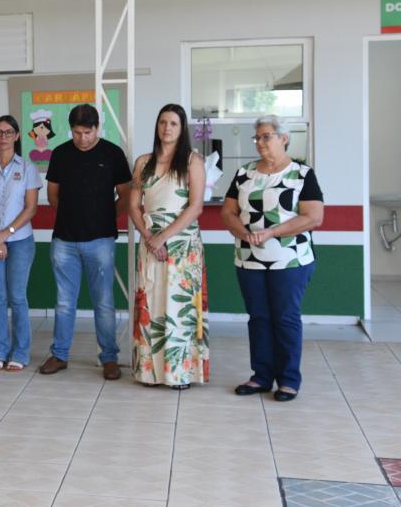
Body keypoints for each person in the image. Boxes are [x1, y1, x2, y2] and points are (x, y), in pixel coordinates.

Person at [221, 114, 323, 402]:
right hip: (249, 259)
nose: (260, 142)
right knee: (259, 317)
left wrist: (272, 232)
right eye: (257, 137)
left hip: (290, 260)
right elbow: (227, 213)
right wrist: (243, 232)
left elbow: (314, 217)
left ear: (284, 138)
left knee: (285, 317)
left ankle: (289, 380)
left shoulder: (302, 174)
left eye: (266, 136)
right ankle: (261, 377)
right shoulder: (243, 174)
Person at [41, 103, 131, 380]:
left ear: (97, 128)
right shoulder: (60, 154)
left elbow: (126, 195)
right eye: (77, 132)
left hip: (101, 241)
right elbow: (52, 195)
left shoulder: (113, 153)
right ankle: (60, 354)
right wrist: (72, 216)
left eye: (88, 132)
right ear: (71, 130)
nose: (83, 138)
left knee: (103, 302)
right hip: (64, 241)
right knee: (64, 302)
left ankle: (109, 358)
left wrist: (104, 219)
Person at [128, 104, 208, 389]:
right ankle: (149, 371)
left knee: (178, 307)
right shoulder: (143, 162)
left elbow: (195, 206)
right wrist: (150, 236)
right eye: (163, 122)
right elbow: (133, 205)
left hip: (181, 243)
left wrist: (163, 237)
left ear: (182, 127)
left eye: (173, 123)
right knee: (150, 303)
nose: (167, 128)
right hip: (149, 242)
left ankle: (179, 373)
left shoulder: (192, 162)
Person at [0, 115, 42, 372]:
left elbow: (31, 208)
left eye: (9, 132)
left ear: (17, 136)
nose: (3, 136)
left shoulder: (27, 168)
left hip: (20, 242)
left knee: (17, 297)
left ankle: (20, 353)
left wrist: (7, 233)